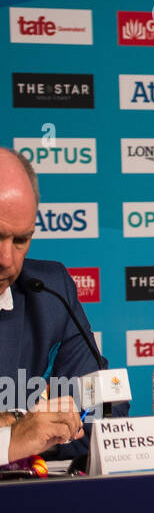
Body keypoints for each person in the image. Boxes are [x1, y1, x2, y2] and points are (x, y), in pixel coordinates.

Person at [0, 147, 104, 461]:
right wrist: (10, 440)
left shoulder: (48, 291)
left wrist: (23, 429)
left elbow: (101, 413)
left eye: (21, 240)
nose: (7, 260)